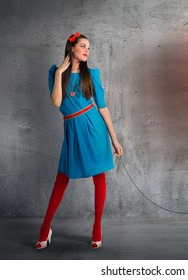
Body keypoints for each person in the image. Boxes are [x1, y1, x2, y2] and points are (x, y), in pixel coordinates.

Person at [36, 32, 123, 250]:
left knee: (98, 176)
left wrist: (114, 139)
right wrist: (58, 74)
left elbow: (103, 107)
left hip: (93, 128)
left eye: (89, 48)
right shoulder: (56, 73)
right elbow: (57, 103)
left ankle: (97, 228)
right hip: (72, 129)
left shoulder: (91, 74)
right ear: (71, 47)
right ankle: (45, 229)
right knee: (62, 179)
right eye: (83, 46)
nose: (87, 50)